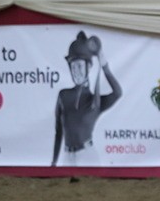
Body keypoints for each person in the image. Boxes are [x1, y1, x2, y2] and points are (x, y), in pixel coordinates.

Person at [52, 31, 123, 167]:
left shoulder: (95, 101)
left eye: (79, 66)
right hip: (67, 157)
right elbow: (58, 131)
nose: (76, 70)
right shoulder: (63, 95)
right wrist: (53, 163)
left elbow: (117, 92)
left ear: (88, 66)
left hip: (87, 156)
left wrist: (104, 64)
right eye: (73, 67)